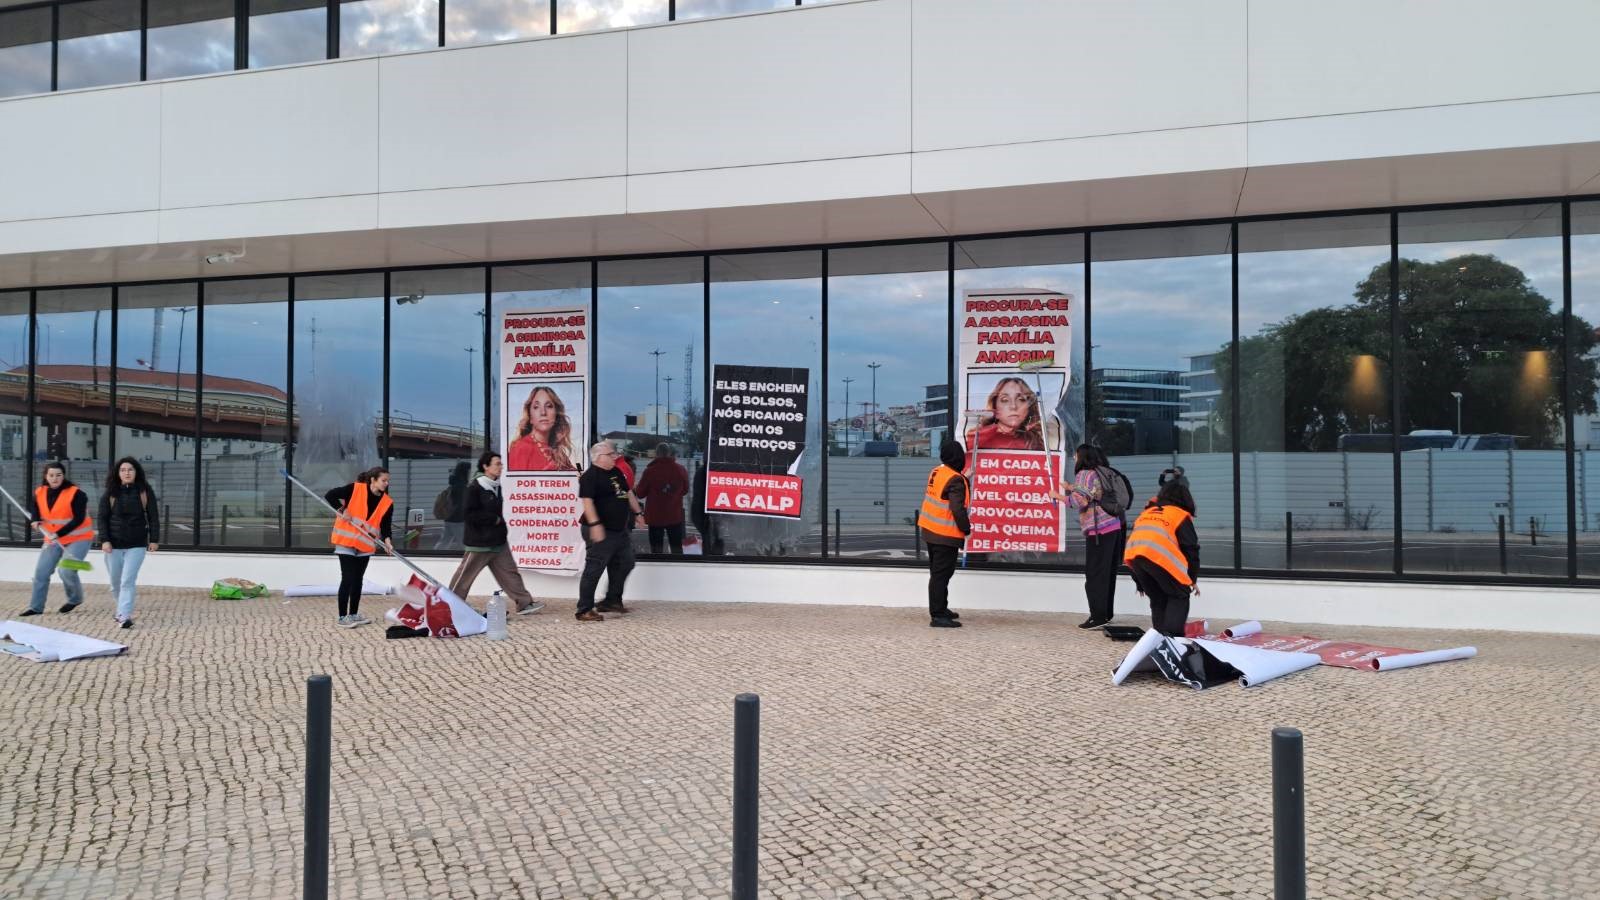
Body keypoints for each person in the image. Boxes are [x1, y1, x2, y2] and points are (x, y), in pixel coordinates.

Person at [447, 451, 544, 616]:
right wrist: (494, 520)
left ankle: (524, 603)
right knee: (465, 576)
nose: (501, 467)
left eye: (501, 464)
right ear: (485, 466)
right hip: (480, 542)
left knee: (510, 572)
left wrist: (499, 525)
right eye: (497, 464)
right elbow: (469, 514)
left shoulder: (495, 486)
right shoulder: (475, 487)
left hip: (498, 541)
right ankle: (450, 603)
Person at [1049, 444, 1125, 630]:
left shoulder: (1084, 473)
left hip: (1099, 530)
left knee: (1095, 574)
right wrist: (1071, 487)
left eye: (1075, 454)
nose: (1074, 457)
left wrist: (1058, 496)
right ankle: (1106, 613)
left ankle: (1097, 617)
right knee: (1107, 572)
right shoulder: (1100, 472)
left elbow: (1079, 500)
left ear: (1081, 456)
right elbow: (1092, 492)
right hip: (1114, 526)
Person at [576, 440, 645, 621]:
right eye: (611, 454)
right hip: (600, 529)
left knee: (626, 562)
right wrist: (595, 525)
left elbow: (628, 493)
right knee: (594, 567)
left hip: (619, 530)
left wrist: (638, 512)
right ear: (599, 457)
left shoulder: (615, 472)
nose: (615, 456)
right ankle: (584, 609)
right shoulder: (590, 476)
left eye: (615, 453)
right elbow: (587, 502)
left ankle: (612, 600)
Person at [1123, 479, 1200, 638]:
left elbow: (1135, 545)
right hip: (1158, 558)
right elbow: (1191, 549)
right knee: (1179, 595)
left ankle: (1158, 639)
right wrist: (1191, 579)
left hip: (1136, 560)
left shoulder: (1147, 513)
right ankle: (1172, 638)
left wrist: (1139, 581)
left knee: (1158, 598)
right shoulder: (1179, 515)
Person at [20, 461, 94, 617]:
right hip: (52, 539)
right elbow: (35, 507)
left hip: (79, 538)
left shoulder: (77, 494)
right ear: (46, 476)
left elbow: (78, 519)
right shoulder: (40, 491)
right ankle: (36, 607)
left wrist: (58, 534)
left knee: (66, 570)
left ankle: (75, 599)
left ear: (63, 476)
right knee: (41, 573)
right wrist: (35, 519)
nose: (55, 478)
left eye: (58, 475)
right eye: (51, 475)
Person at [325, 466, 395, 629]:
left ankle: (354, 614)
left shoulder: (387, 503)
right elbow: (330, 495)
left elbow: (385, 526)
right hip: (346, 541)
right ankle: (343, 617)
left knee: (358, 580)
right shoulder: (355, 489)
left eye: (387, 481)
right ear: (373, 480)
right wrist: (343, 509)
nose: (386, 483)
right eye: (383, 480)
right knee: (348, 578)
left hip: (365, 545)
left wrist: (387, 540)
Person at [97, 457, 160, 629]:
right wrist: (105, 540)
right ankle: (120, 611)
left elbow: (153, 516)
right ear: (118, 473)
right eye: (123, 470)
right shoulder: (110, 492)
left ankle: (124, 615)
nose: (127, 473)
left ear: (136, 472)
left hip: (137, 544)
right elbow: (102, 518)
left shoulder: (144, 491)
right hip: (113, 545)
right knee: (115, 584)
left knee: (127, 581)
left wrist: (154, 539)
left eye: (130, 469)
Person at [917, 440, 972, 628]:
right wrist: (966, 529)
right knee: (941, 575)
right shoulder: (957, 480)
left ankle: (942, 608)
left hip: (930, 530)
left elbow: (944, 492)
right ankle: (938, 615)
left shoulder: (937, 472)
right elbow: (957, 509)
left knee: (939, 573)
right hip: (945, 535)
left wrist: (963, 477)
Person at [964, 376, 1046, 454]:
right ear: (994, 406)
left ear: (1029, 407)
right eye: (1005, 400)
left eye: (1021, 399)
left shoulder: (1034, 441)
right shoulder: (978, 436)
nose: (1013, 406)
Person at [634, 442, 689, 554]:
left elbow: (640, 493)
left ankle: (658, 569)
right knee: (677, 549)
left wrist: (635, 487)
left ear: (657, 454)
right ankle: (678, 569)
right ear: (669, 454)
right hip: (674, 515)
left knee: (656, 550)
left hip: (655, 517)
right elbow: (685, 490)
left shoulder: (650, 471)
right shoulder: (680, 469)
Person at [507, 386, 579, 471]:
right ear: (530, 417)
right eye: (536, 407)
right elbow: (515, 483)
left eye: (549, 406)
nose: (543, 412)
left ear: (556, 414)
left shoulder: (557, 452)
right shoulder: (520, 447)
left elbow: (578, 477)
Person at [433, 461, 471, 549]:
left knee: (444, 541)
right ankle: (468, 561)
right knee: (464, 544)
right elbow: (461, 504)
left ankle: (435, 555)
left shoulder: (455, 483)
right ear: (465, 472)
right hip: (458, 520)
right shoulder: (461, 486)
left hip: (449, 518)